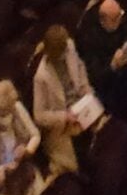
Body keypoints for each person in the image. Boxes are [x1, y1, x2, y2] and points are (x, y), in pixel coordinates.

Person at [30, 23, 100, 176]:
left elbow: (80, 68)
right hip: (63, 121)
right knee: (75, 165)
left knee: (105, 134)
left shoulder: (69, 46)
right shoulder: (41, 77)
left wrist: (86, 90)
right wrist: (64, 116)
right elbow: (39, 115)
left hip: (81, 104)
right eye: (62, 53)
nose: (65, 54)